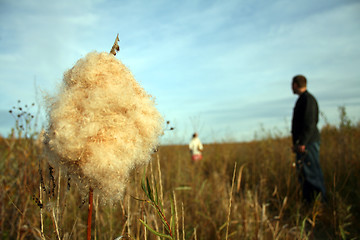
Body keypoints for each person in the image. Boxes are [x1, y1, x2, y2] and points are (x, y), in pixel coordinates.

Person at [291, 75, 326, 203]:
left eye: (292, 84)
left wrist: (303, 143)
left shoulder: (308, 99)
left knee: (313, 173)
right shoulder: (303, 99)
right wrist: (297, 143)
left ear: (295, 85)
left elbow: (310, 123)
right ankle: (310, 204)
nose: (291, 87)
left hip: (309, 144)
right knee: (304, 175)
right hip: (304, 144)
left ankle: (321, 204)